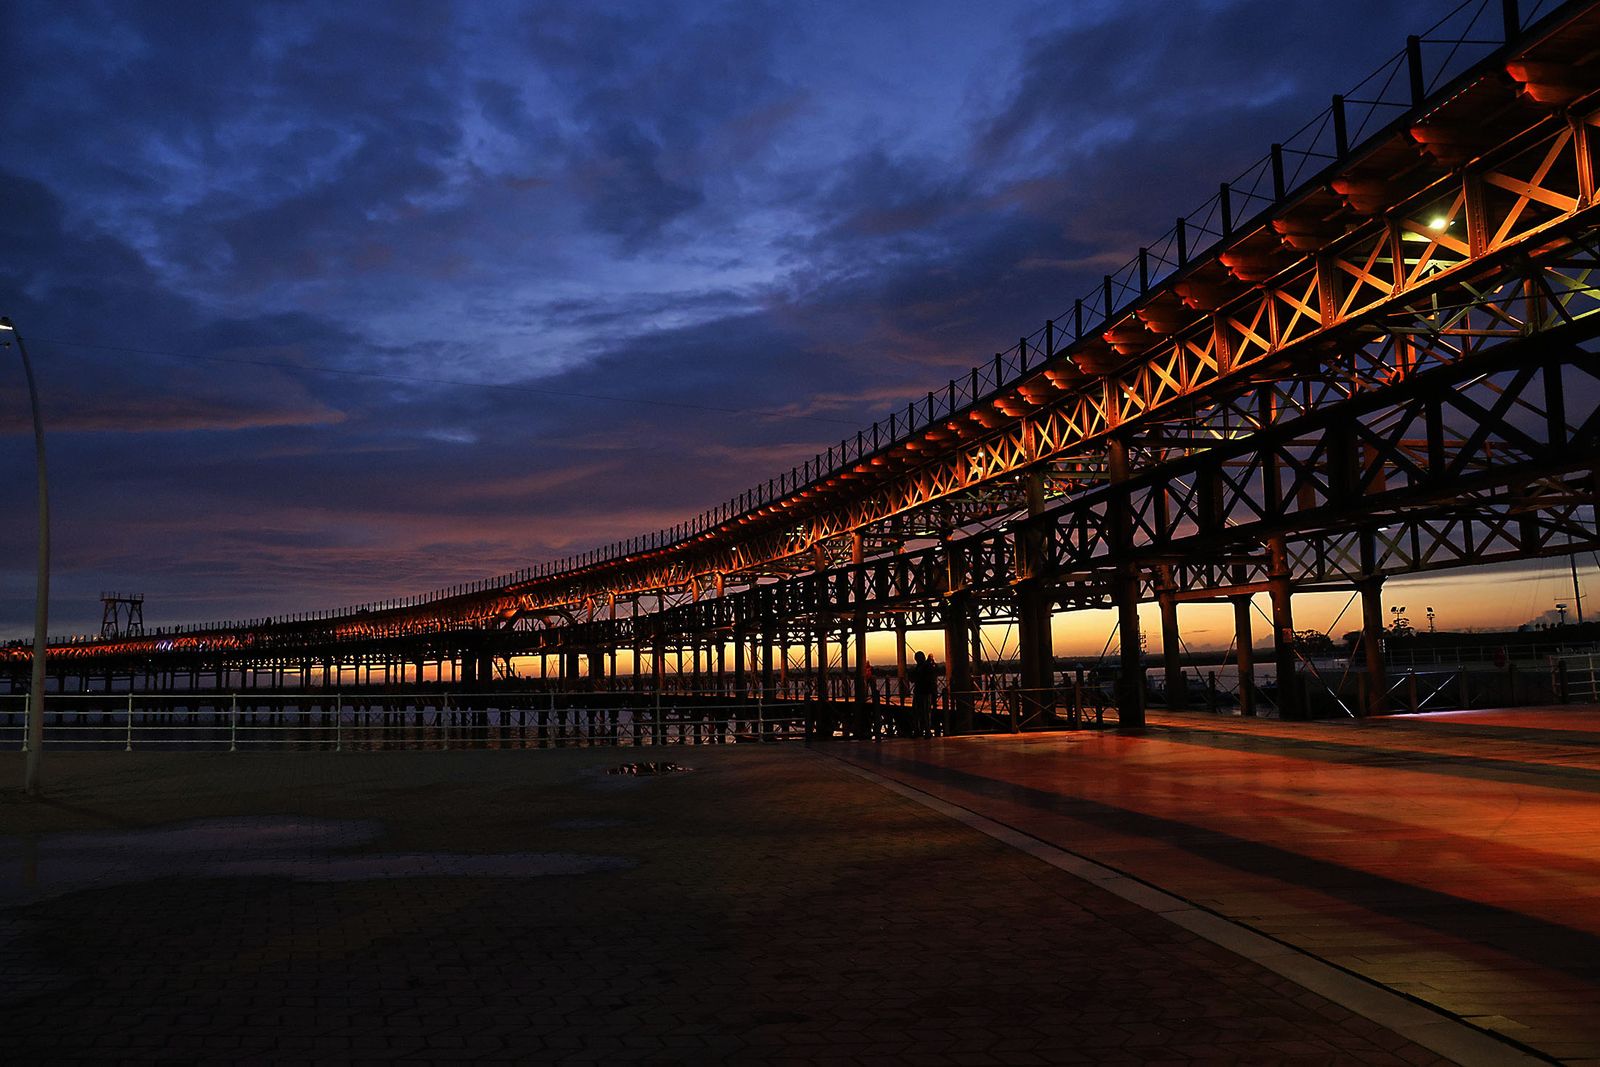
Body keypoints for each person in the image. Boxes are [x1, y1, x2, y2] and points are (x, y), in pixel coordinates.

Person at [912, 651, 937, 739]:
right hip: (919, 692)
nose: (916, 660)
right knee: (917, 712)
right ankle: (918, 730)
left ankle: (927, 731)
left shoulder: (926, 667)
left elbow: (929, 680)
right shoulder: (920, 667)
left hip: (925, 693)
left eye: (917, 658)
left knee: (925, 713)